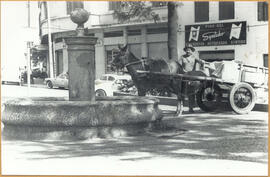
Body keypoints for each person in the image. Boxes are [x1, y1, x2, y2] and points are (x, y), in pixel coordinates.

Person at [177, 44, 205, 113]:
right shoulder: (182, 57)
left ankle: (191, 108)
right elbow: (178, 66)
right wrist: (183, 71)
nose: (188, 51)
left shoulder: (194, 57)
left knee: (191, 93)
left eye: (189, 49)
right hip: (183, 76)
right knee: (181, 92)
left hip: (192, 77)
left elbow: (201, 62)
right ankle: (181, 108)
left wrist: (202, 63)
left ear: (192, 50)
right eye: (187, 49)